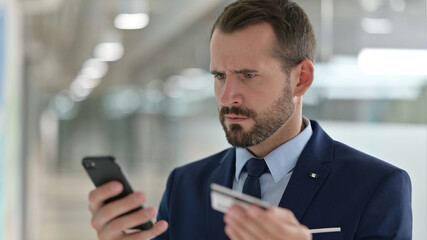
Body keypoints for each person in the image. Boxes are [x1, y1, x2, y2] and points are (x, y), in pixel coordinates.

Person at [87, 0, 412, 239]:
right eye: (219, 76)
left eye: (248, 75)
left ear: (301, 78)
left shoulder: (375, 187)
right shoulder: (185, 185)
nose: (228, 97)